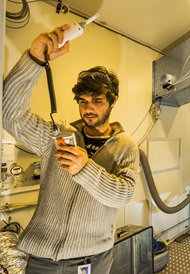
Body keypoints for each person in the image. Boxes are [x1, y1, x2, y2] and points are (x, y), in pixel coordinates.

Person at [3, 24, 139, 273]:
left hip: (93, 259)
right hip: (41, 257)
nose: (89, 108)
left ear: (113, 102)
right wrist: (34, 60)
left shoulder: (125, 146)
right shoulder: (57, 136)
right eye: (83, 101)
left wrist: (85, 168)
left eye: (97, 101)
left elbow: (124, 194)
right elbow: (10, 115)